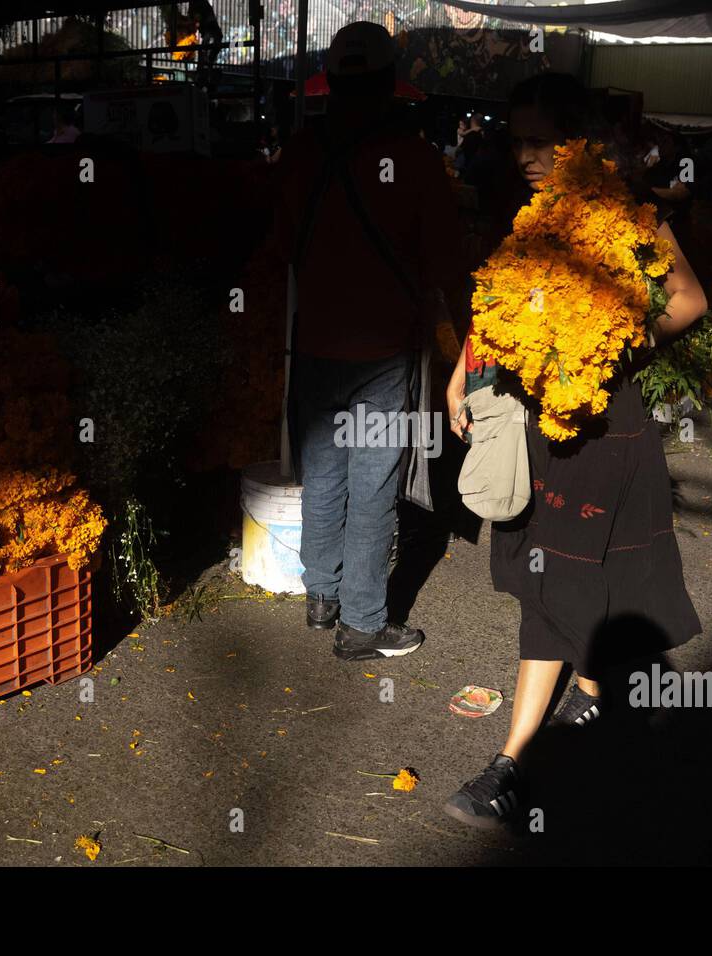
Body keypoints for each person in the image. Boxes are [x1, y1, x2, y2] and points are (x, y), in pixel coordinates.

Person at [442, 72, 707, 829]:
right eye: (516, 139)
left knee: (556, 577)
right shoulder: (530, 220)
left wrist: (612, 347)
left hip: (603, 430)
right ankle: (592, 692)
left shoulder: (626, 216)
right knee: (562, 572)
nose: (524, 154)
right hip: (536, 427)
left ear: (576, 141)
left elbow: (690, 300)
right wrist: (463, 376)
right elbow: (492, 310)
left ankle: (509, 765)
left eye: (538, 140)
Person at [273, 22, 463, 661]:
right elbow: (444, 264)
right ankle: (361, 622)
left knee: (323, 474)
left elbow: (275, 247)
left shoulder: (299, 152)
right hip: (384, 353)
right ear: (389, 85)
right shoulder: (412, 159)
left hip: (315, 348)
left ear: (333, 84)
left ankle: (321, 596)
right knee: (374, 484)